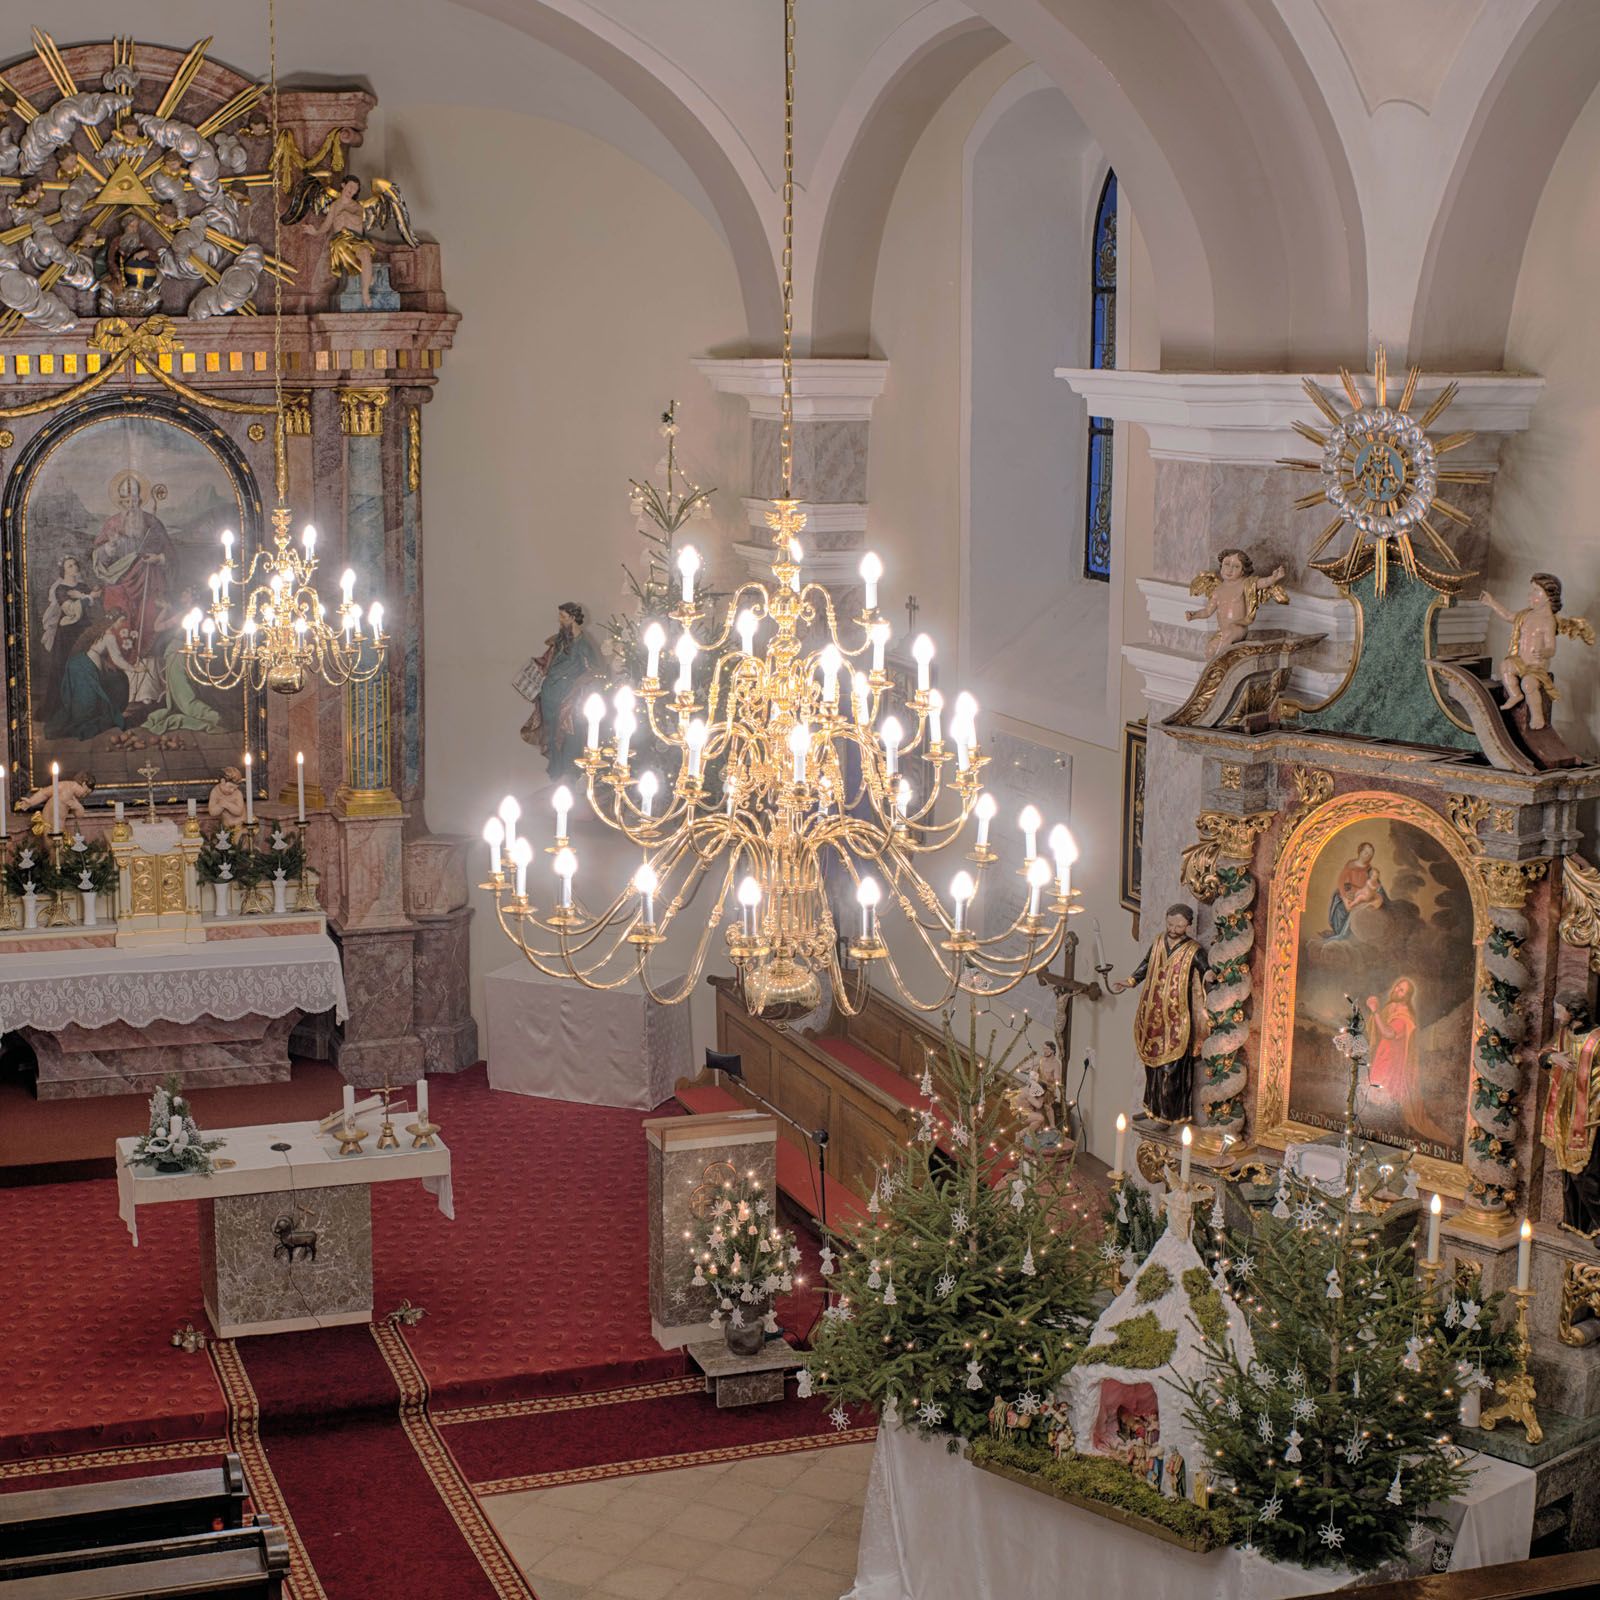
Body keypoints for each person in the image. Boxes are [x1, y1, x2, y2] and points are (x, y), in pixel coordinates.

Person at [1111, 903, 1209, 1125]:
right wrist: (1130, 981)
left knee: (1170, 1069)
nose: (1173, 929)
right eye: (1170, 924)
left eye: (1179, 926)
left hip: (1177, 1020)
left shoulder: (1193, 950)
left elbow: (1205, 969)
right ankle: (1151, 1109)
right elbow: (1146, 964)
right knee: (1152, 1066)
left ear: (1188, 925)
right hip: (1153, 1015)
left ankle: (1168, 1116)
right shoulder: (1158, 942)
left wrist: (1210, 974)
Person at [1482, 572, 1594, 733]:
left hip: (1535, 667)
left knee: (1528, 684)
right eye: (1531, 590)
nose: (1530, 594)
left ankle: (1537, 716)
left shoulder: (1548, 621)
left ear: (1548, 596)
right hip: (1520, 661)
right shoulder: (1526, 614)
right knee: (1505, 665)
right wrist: (1491, 602)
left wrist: (1545, 652)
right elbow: (1508, 616)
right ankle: (1515, 695)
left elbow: (1551, 648)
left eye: (1536, 591)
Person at [516, 601, 608, 781]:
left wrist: (578, 687)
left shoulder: (583, 645)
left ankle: (568, 773)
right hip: (549, 695)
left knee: (568, 735)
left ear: (573, 618)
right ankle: (557, 770)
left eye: (563, 617)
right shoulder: (559, 640)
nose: (559, 620)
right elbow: (548, 660)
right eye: (560, 616)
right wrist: (536, 668)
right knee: (552, 735)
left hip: (568, 697)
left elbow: (594, 671)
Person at [1540, 992, 1600, 1238]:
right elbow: (1545, 1052)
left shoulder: (1597, 1038)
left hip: (1589, 1119)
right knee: (1567, 1171)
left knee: (1587, 1176)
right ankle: (1575, 1222)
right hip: (1564, 1113)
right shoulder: (1565, 1034)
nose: (1556, 1015)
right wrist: (1552, 1057)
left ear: (1573, 1012)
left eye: (1559, 1010)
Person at [44, 609, 135, 741]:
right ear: (114, 620)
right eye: (121, 621)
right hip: (85, 667)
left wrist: (104, 662)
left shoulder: (99, 631)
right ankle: (101, 714)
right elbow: (117, 659)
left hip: (77, 663)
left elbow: (95, 649)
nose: (122, 624)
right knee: (91, 704)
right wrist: (135, 669)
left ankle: (89, 714)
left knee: (85, 700)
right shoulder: (109, 636)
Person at [1186, 548, 1287, 658]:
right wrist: (1194, 615)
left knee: (1225, 640)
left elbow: (1262, 582)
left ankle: (1220, 665)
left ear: (1243, 571)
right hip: (1222, 631)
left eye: (1236, 566)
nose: (1229, 570)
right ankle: (1216, 666)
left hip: (1239, 627)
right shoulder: (1218, 590)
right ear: (1221, 566)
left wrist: (1273, 578)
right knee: (1210, 650)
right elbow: (1207, 611)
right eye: (1227, 564)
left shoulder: (1245, 584)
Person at [39, 553, 99, 714]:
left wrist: (89, 595)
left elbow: (95, 597)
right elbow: (70, 610)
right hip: (67, 633)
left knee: (85, 666)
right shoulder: (60, 589)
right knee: (63, 666)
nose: (74, 567)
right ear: (63, 571)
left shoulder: (82, 586)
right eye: (69, 566)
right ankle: (61, 707)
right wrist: (88, 597)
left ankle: (84, 706)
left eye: (75, 564)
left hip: (84, 630)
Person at [1366, 978, 1419, 1106]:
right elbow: (1378, 1029)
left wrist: (1375, 1011)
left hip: (1389, 1066)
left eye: (1401, 990)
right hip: (1382, 1058)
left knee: (1379, 1102)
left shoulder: (1404, 1018)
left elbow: (1388, 1033)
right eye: (1397, 986)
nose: (1396, 990)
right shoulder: (1392, 1008)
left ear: (1407, 997)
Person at [1324, 840, 1380, 941]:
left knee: (1365, 910)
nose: (1367, 856)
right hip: (1347, 894)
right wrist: (1346, 898)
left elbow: (1376, 885)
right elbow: (1343, 882)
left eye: (1370, 854)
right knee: (1341, 910)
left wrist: (1376, 897)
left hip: (1362, 895)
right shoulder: (1351, 865)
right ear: (1360, 852)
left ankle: (1353, 937)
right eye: (1366, 852)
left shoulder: (1370, 869)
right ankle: (1342, 936)